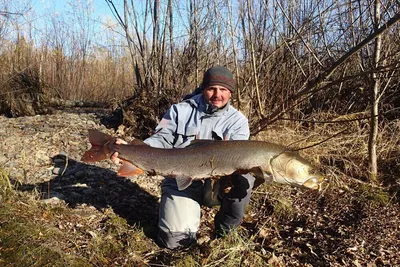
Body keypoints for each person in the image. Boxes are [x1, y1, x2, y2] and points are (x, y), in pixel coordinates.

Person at [111, 66, 255, 249]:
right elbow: (160, 138)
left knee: (245, 178)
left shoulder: (238, 121)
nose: (217, 94)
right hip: (181, 178)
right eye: (212, 88)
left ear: (230, 93)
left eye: (223, 90)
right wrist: (132, 151)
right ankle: (185, 213)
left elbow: (239, 157)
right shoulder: (177, 111)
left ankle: (225, 231)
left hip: (217, 183)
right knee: (176, 242)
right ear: (203, 88)